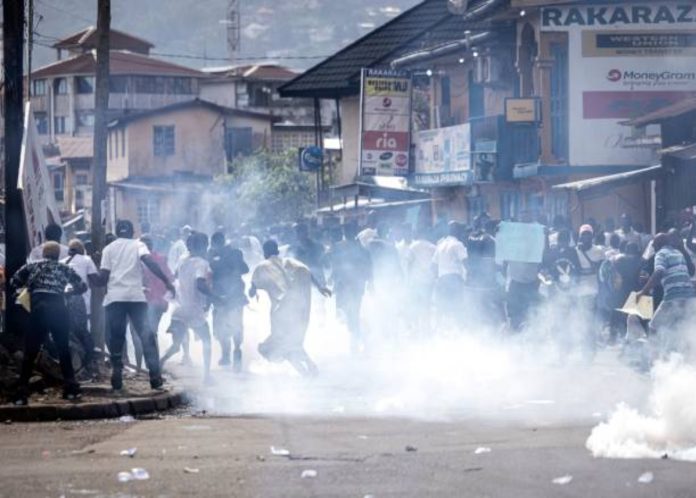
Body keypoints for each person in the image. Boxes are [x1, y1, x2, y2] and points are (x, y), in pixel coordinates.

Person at [97, 220, 175, 392]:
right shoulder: (138, 244)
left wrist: (91, 279)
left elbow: (103, 277)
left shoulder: (108, 249)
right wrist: (166, 281)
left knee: (116, 338)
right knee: (146, 336)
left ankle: (117, 377)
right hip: (136, 298)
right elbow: (149, 262)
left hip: (114, 299)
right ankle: (155, 378)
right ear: (132, 232)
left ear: (117, 232)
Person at [10, 242, 87, 405]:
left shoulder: (32, 267)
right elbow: (82, 286)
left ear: (44, 254)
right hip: (59, 309)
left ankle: (21, 393)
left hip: (38, 309)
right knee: (63, 349)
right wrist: (69, 292)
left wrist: (23, 292)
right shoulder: (65, 268)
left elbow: (14, 281)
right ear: (58, 255)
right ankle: (71, 389)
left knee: (30, 352)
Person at [250, 240, 331, 376]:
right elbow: (307, 271)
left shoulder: (262, 266)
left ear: (265, 252)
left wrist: (251, 292)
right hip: (299, 309)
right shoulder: (291, 262)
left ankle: (306, 371)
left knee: (281, 344)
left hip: (280, 312)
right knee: (292, 341)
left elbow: (253, 288)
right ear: (277, 250)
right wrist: (320, 287)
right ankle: (310, 368)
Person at [161, 232, 216, 383]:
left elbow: (178, 277)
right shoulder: (201, 263)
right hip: (194, 310)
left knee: (176, 345)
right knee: (207, 341)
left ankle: (159, 364)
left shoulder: (182, 261)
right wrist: (215, 296)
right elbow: (200, 283)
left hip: (180, 309)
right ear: (203, 246)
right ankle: (206, 376)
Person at [637, 232, 696, 355]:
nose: (652, 247)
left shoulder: (661, 254)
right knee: (680, 329)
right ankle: (679, 360)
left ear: (658, 244)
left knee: (654, 327)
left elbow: (659, 272)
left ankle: (655, 358)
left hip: (672, 297)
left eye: (653, 245)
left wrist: (643, 291)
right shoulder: (678, 253)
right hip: (689, 297)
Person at [326, 223, 372, 352]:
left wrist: (333, 277)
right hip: (348, 286)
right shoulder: (345, 247)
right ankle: (360, 339)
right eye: (347, 230)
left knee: (350, 314)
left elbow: (367, 266)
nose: (347, 232)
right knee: (347, 314)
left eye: (348, 230)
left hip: (349, 286)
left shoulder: (344, 247)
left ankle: (358, 341)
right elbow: (335, 264)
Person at [208, 231, 249, 370]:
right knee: (220, 328)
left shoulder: (234, 253)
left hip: (235, 296)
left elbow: (244, 269)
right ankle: (225, 355)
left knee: (236, 325)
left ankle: (237, 352)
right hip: (220, 298)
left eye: (217, 243)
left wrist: (230, 268)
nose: (215, 246)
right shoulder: (211, 255)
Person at [62, 239, 100, 377]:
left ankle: (75, 366)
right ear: (81, 249)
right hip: (81, 302)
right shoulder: (86, 259)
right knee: (83, 332)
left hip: (64, 303)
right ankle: (88, 364)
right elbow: (96, 280)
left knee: (70, 334)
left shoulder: (62, 262)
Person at [140, 234, 175, 349]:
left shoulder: (137, 260)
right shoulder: (160, 258)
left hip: (149, 300)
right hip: (154, 300)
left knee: (148, 331)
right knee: (151, 331)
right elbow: (170, 277)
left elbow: (169, 278)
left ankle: (151, 361)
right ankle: (152, 361)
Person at [432, 221, 468, 327]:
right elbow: (465, 262)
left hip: (442, 280)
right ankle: (459, 332)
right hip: (454, 280)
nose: (462, 233)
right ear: (456, 231)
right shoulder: (458, 244)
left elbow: (433, 266)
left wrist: (438, 279)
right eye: (460, 230)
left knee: (442, 309)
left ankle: (441, 332)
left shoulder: (440, 245)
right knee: (457, 308)